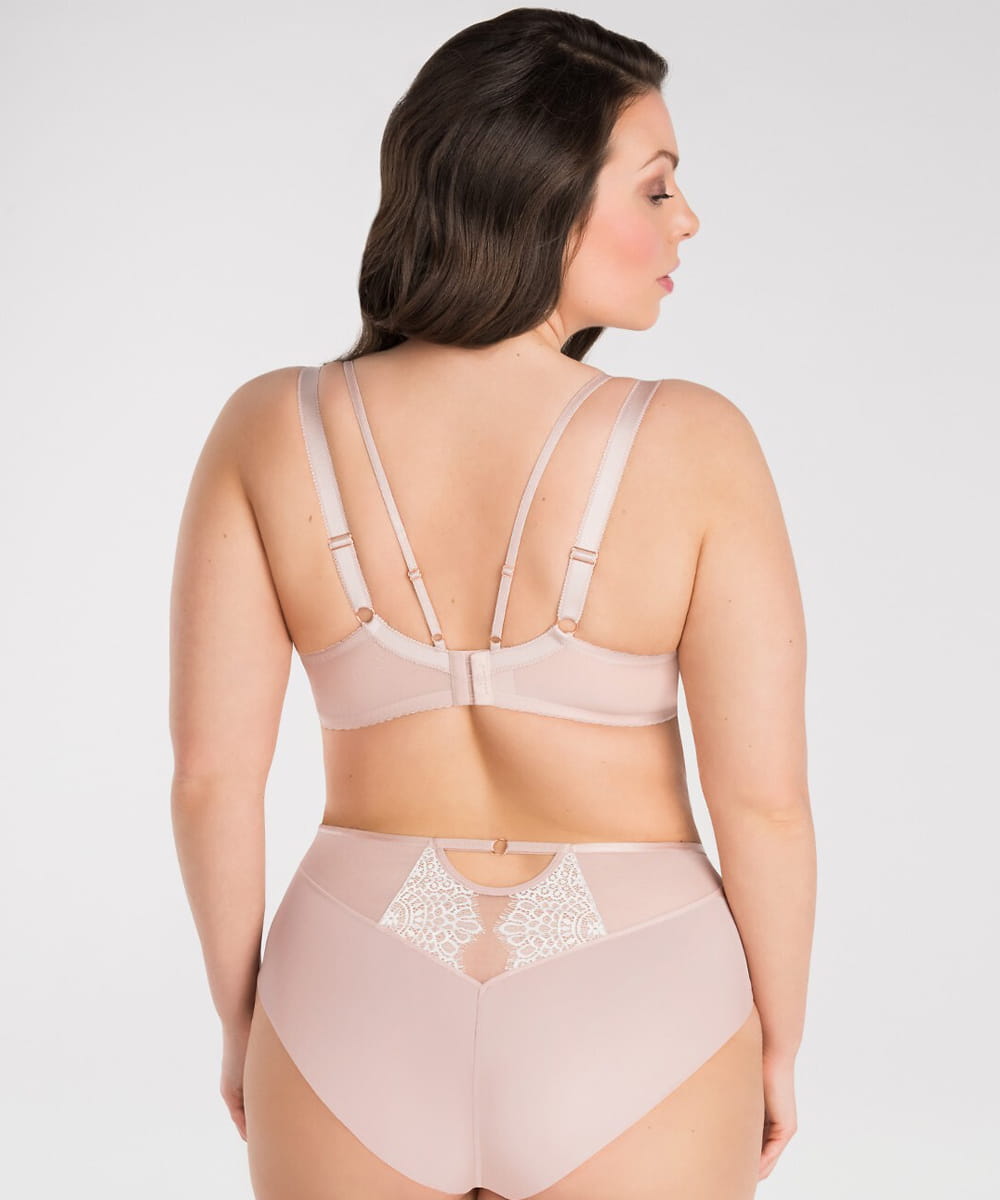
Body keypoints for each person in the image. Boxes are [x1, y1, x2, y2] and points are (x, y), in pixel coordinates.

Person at [170, 8, 816, 1199]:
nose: (686, 219)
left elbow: (212, 778)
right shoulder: (694, 441)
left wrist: (240, 1019)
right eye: (656, 186)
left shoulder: (268, 426)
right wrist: (777, 1042)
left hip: (351, 981)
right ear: (543, 194)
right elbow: (763, 804)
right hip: (642, 985)